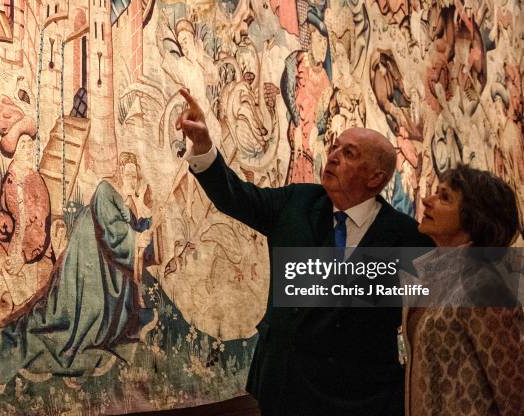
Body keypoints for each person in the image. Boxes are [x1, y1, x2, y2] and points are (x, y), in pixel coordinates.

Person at [176, 88, 433, 416]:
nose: (334, 156)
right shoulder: (296, 203)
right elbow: (235, 196)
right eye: (335, 147)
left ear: (375, 178)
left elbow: (427, 322)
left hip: (361, 397)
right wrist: (203, 146)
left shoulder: (407, 238)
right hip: (286, 388)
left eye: (350, 153)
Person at [0, 175, 157, 392]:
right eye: (129, 173)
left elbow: (131, 232)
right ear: (121, 171)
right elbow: (114, 233)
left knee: (103, 319)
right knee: (75, 320)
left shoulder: (126, 201)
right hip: (87, 265)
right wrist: (134, 239)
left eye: (135, 177)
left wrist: (141, 214)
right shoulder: (105, 189)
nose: (132, 180)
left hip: (103, 268)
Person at [403, 165, 523, 416]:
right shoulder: (431, 275)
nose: (426, 200)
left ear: (474, 217)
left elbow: (514, 390)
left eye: (444, 197)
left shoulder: (484, 286)